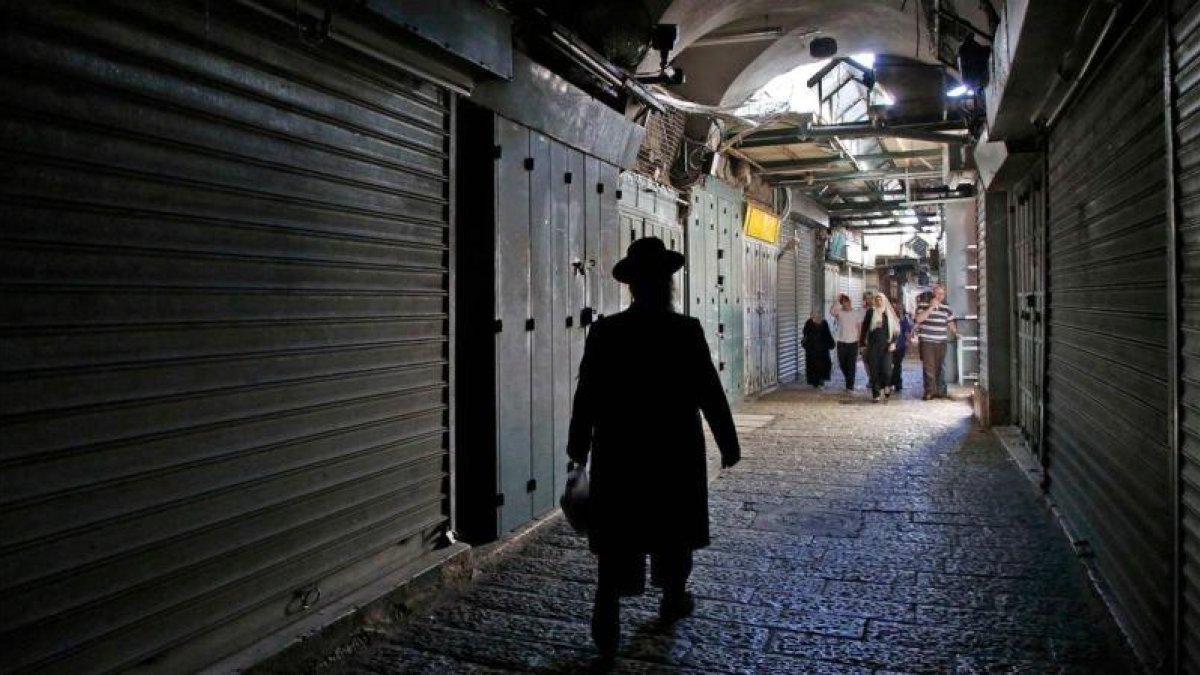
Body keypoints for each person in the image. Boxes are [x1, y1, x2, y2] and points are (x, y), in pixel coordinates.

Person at [566, 237, 741, 661]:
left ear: (632, 286)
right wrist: (727, 441)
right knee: (673, 528)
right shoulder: (684, 330)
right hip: (672, 451)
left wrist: (578, 450)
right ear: (668, 284)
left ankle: (606, 616)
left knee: (617, 535)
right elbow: (709, 391)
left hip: (620, 451)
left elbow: (586, 394)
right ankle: (672, 597)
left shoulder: (606, 332)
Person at [914, 284, 957, 400]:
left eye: (942, 294)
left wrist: (956, 333)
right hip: (927, 341)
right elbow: (918, 319)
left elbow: (950, 322)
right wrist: (931, 308)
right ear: (933, 293)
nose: (940, 296)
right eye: (938, 293)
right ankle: (929, 391)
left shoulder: (946, 307)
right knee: (929, 367)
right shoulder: (923, 305)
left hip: (941, 341)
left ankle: (939, 390)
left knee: (939, 366)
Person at [859, 292, 900, 402]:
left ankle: (887, 385)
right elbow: (864, 329)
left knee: (887, 370)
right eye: (876, 299)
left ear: (884, 300)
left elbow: (896, 331)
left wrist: (894, 342)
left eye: (880, 299)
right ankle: (876, 394)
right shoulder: (870, 312)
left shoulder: (889, 313)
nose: (878, 301)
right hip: (873, 346)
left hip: (887, 346)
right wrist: (862, 344)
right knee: (874, 370)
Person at [830, 294, 865, 390]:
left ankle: (850, 385)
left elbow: (860, 329)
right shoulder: (840, 313)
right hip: (841, 341)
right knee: (842, 364)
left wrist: (859, 341)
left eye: (846, 302)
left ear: (849, 302)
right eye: (843, 303)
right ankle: (849, 378)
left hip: (853, 342)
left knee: (851, 364)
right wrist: (837, 300)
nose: (845, 304)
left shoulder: (856, 313)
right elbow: (832, 312)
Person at [801, 311, 835, 387]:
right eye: (814, 314)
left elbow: (828, 334)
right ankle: (815, 382)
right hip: (812, 349)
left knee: (822, 365)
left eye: (818, 314)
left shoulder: (824, 323)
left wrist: (831, 343)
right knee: (813, 366)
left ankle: (821, 380)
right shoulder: (809, 323)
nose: (817, 316)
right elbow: (805, 333)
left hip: (822, 350)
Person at [891, 308, 913, 391]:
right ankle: (895, 382)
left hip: (899, 346)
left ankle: (896, 382)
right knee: (895, 365)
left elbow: (907, 332)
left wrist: (909, 342)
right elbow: (907, 332)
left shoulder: (903, 320)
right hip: (892, 345)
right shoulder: (891, 319)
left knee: (896, 365)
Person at [860, 291, 876, 384]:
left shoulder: (875, 310)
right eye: (867, 298)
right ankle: (870, 378)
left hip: (873, 339)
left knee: (873, 359)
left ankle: (874, 378)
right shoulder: (862, 310)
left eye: (870, 298)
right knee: (865, 359)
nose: (869, 300)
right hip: (864, 338)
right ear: (864, 299)